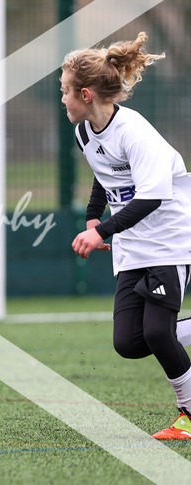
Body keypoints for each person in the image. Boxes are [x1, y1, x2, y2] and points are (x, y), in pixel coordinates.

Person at [63, 31, 191, 439]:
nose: (61, 99)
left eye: (64, 91)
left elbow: (152, 197)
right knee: (130, 342)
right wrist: (91, 219)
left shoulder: (135, 132)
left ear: (85, 94)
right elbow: (105, 176)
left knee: (157, 332)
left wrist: (103, 229)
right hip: (133, 244)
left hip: (170, 238)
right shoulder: (85, 131)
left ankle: (188, 414)